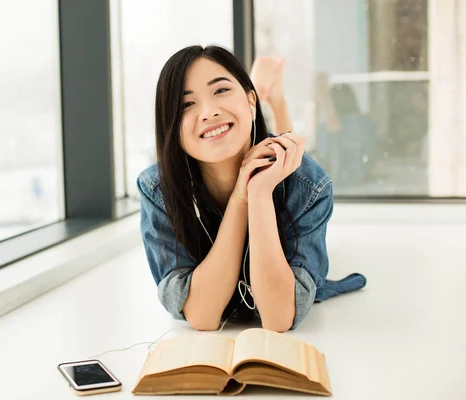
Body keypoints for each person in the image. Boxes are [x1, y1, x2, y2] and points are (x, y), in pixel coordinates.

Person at [136, 45, 366, 332]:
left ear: (251, 101)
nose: (208, 112)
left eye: (220, 90)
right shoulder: (158, 189)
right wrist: (240, 198)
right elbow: (201, 315)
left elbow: (279, 318)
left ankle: (274, 98)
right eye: (186, 105)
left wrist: (259, 193)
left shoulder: (308, 185)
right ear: (170, 126)